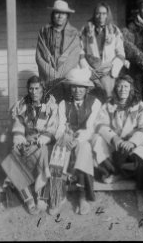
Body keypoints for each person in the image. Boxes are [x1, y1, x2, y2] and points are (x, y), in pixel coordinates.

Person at [92, 75, 143, 211]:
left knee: (142, 160)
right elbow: (100, 124)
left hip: (133, 144)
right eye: (119, 86)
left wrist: (132, 142)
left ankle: (141, 191)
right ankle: (114, 173)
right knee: (96, 141)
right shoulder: (108, 105)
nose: (122, 89)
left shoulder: (140, 106)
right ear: (115, 88)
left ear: (131, 88)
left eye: (126, 86)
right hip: (115, 144)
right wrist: (114, 138)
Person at [1, 76, 58, 215]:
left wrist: (44, 138)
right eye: (31, 89)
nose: (33, 92)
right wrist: (19, 138)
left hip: (45, 141)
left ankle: (41, 196)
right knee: (15, 153)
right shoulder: (22, 105)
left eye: (37, 88)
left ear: (42, 89)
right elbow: (19, 124)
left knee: (42, 151)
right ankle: (28, 198)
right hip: (27, 140)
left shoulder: (51, 104)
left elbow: (53, 126)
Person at [50, 68, 102, 215]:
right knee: (59, 149)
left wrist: (78, 140)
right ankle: (58, 194)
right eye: (74, 86)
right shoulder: (63, 104)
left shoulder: (95, 103)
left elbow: (91, 127)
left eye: (81, 87)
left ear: (87, 89)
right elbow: (59, 126)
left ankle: (82, 194)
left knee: (84, 148)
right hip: (67, 137)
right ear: (70, 88)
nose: (78, 90)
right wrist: (63, 137)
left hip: (86, 138)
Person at [35, 0, 83, 102]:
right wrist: (52, 74)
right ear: (53, 14)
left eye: (63, 13)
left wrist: (60, 76)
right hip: (48, 77)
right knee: (49, 105)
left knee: (66, 105)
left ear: (67, 16)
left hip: (66, 76)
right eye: (57, 13)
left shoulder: (74, 33)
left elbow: (73, 57)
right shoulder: (44, 31)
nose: (60, 16)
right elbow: (40, 56)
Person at [80, 2, 126, 101]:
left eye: (104, 13)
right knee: (92, 99)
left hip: (108, 71)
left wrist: (112, 69)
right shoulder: (85, 30)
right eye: (98, 13)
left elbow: (121, 53)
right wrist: (88, 70)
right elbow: (81, 51)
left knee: (108, 98)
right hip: (91, 70)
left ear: (108, 15)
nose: (101, 17)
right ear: (94, 14)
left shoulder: (114, 30)